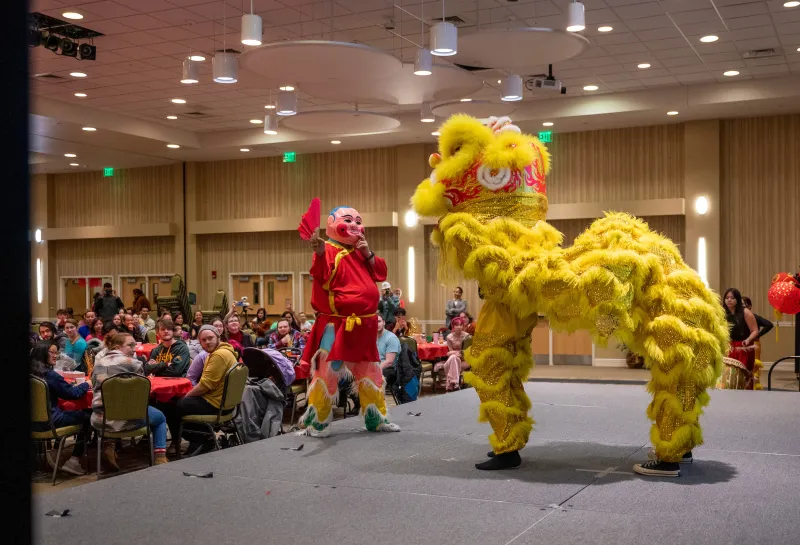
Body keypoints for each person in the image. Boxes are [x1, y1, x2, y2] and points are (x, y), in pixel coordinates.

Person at [300, 205, 400, 436]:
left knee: (371, 371)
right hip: (337, 326)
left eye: (358, 221)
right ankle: (316, 423)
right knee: (326, 372)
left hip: (363, 327)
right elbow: (320, 275)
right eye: (348, 220)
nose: (355, 225)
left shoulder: (359, 251)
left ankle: (376, 418)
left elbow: (381, 273)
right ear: (333, 223)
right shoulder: (329, 249)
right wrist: (319, 252)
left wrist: (367, 253)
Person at [91, 332, 169, 469]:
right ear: (118, 347)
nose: (135, 348)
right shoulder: (134, 363)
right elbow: (140, 393)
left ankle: (109, 444)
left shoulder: (98, 363)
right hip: (128, 419)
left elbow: (94, 385)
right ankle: (160, 456)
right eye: (130, 345)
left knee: (112, 408)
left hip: (101, 420)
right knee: (161, 417)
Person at [161, 325, 237, 457]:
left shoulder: (219, 355)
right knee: (178, 403)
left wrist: (186, 397)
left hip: (215, 404)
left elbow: (205, 386)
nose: (207, 342)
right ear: (199, 342)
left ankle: (200, 440)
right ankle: (203, 438)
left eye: (210, 338)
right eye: (204, 340)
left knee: (170, 405)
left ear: (218, 337)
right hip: (225, 404)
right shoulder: (226, 351)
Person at [30, 341, 90, 476]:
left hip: (33, 424)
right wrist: (87, 384)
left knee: (66, 410)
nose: (55, 355)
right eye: (52, 352)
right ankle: (74, 460)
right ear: (42, 353)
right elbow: (73, 394)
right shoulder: (50, 376)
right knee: (87, 416)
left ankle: (55, 452)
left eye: (56, 352)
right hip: (49, 423)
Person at [723, 288, 759, 377]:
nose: (729, 300)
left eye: (732, 298)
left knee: (743, 375)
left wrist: (748, 339)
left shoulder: (745, 312)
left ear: (737, 299)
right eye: (727, 298)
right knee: (729, 375)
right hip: (729, 347)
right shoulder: (723, 312)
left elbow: (755, 331)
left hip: (744, 347)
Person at [435, 317, 469, 391]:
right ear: (453, 326)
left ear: (463, 326)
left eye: (461, 325)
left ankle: (451, 384)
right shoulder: (449, 337)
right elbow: (450, 351)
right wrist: (455, 353)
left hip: (464, 358)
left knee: (453, 357)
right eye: (457, 325)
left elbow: (467, 352)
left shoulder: (467, 336)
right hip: (454, 358)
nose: (459, 327)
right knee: (453, 358)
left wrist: (458, 353)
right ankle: (455, 383)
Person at [378, 316, 402, 389]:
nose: (376, 324)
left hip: (389, 369)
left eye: (379, 321)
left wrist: (376, 370)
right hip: (374, 366)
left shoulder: (391, 338)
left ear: (384, 322)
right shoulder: (370, 337)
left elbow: (389, 362)